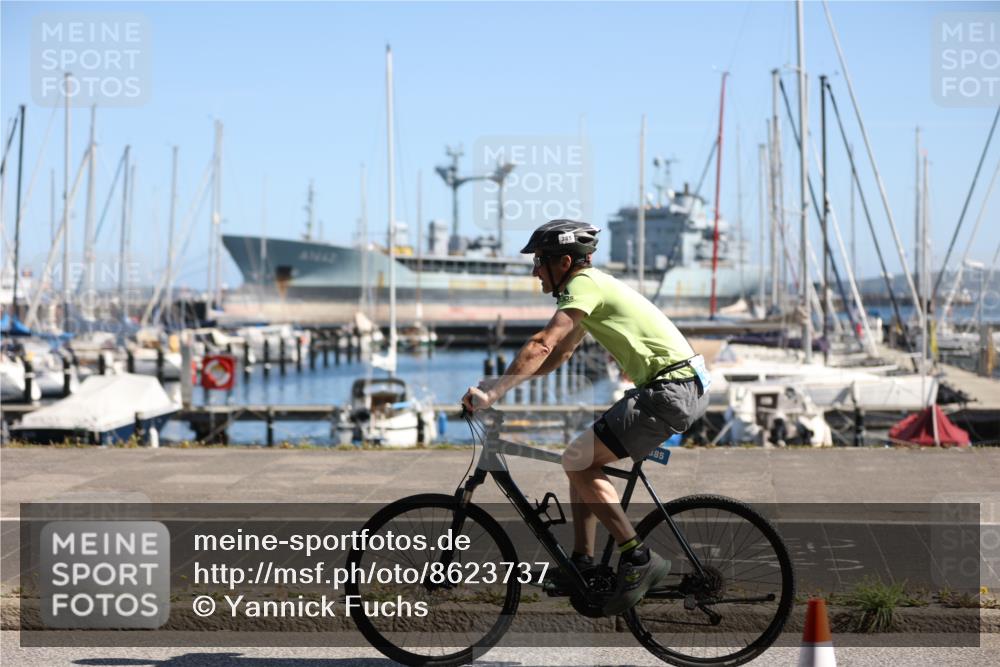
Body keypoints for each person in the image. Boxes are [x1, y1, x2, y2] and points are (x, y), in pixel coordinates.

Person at [461, 219, 710, 616]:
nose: (534, 271)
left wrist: (492, 394)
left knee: (576, 459)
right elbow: (557, 355)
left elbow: (543, 343)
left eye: (539, 262)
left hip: (669, 391)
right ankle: (583, 561)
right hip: (674, 387)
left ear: (564, 262)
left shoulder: (584, 285)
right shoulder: (589, 291)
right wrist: (499, 383)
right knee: (581, 458)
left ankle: (639, 557)